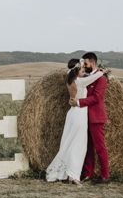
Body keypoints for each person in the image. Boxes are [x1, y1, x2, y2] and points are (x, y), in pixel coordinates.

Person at [45, 58, 104, 185]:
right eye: (82, 69)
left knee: (68, 144)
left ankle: (64, 173)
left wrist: (80, 67)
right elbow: (98, 75)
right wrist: (102, 71)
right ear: (77, 71)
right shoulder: (81, 82)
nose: (84, 71)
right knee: (79, 146)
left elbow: (72, 72)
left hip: (71, 114)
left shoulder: (70, 78)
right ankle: (74, 176)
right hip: (79, 116)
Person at [69, 52, 110, 184]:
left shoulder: (101, 79)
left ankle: (105, 175)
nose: (84, 66)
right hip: (84, 117)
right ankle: (88, 173)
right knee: (87, 147)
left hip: (96, 118)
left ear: (92, 62)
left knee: (99, 147)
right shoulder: (87, 76)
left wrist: (79, 102)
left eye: (85, 63)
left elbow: (97, 98)